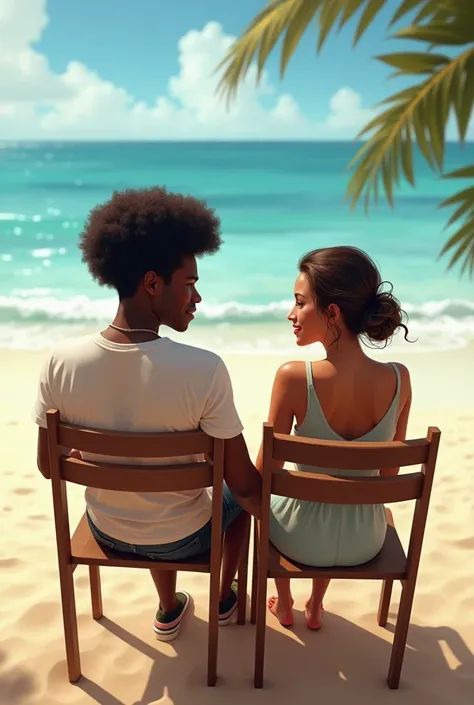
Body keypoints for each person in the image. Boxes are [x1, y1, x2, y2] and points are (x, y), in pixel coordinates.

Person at [34, 187, 261, 642]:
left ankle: (167, 605)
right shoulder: (204, 368)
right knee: (236, 506)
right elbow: (244, 484)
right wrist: (279, 511)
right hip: (185, 538)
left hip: (107, 531)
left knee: (163, 495)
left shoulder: (60, 362)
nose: (197, 298)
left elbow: (47, 466)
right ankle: (222, 598)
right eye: (190, 284)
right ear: (153, 283)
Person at [257, 246, 412, 630]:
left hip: (300, 540)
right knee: (340, 493)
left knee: (273, 499)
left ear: (332, 312)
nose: (291, 314)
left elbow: (264, 474)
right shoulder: (398, 378)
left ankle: (286, 600)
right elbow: (388, 474)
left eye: (299, 303)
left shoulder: (294, 377)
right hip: (365, 540)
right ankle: (315, 605)